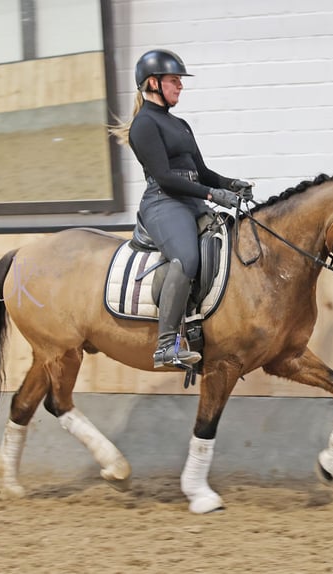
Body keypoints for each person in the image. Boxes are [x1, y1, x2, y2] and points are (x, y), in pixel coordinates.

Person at [110, 49, 253, 369]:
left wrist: (232, 185)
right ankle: (166, 344)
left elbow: (202, 173)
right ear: (152, 83)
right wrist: (214, 196)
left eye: (179, 81)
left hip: (191, 200)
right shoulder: (144, 125)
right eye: (174, 81)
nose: (180, 86)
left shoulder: (180, 125)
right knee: (186, 257)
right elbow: (164, 177)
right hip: (164, 202)